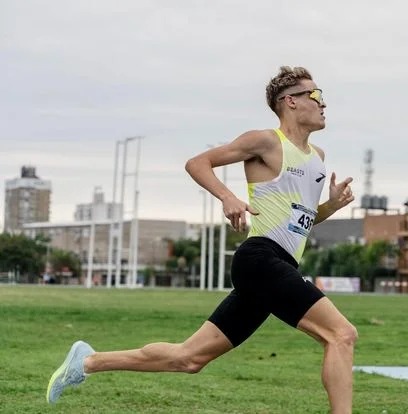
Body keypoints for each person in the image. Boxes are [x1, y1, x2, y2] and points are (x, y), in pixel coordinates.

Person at [46, 66, 358, 413]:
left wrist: (331, 205)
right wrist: (227, 196)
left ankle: (87, 362)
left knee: (189, 358)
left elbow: (301, 222)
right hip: (261, 259)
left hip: (276, 267)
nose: (323, 103)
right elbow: (198, 163)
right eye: (315, 95)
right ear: (291, 102)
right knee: (341, 334)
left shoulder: (318, 159)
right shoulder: (266, 141)